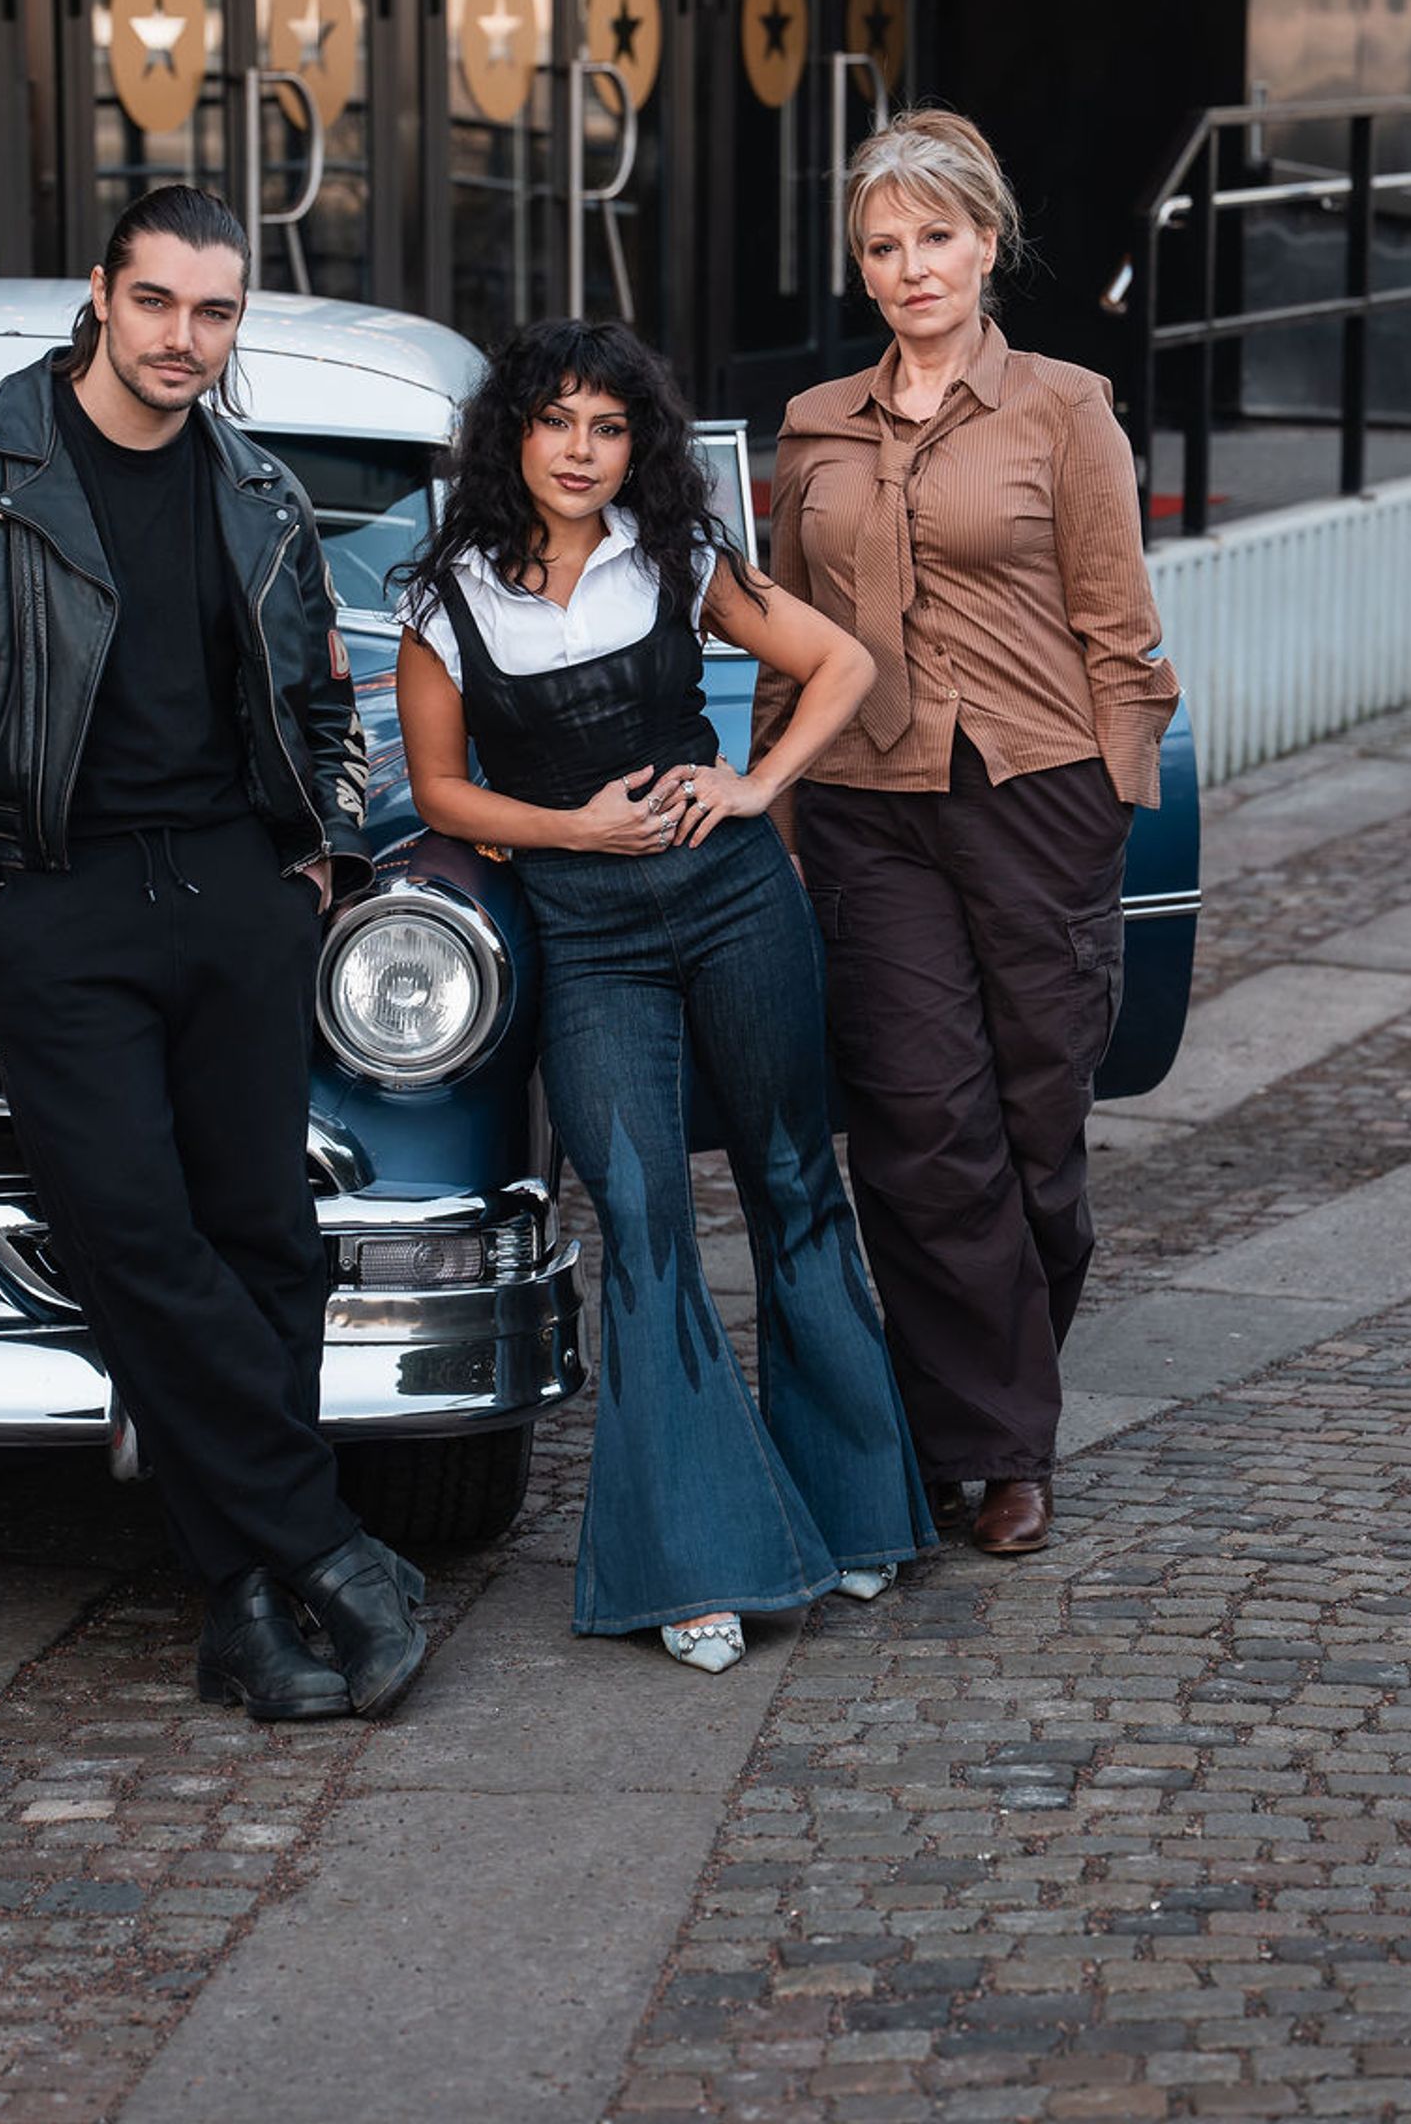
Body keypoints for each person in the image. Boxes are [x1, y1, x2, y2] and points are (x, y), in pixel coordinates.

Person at [0, 185, 426, 1721]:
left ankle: (245, 1607)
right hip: (52, 900)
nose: (182, 337)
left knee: (267, 1240)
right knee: (134, 1236)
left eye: (215, 312)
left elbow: (325, 705)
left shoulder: (259, 490)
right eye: (156, 301)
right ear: (102, 293)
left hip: (235, 892)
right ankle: (330, 1549)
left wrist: (316, 863)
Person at [395, 318, 934, 1674]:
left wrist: (753, 786)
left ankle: (858, 1508)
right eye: (556, 421)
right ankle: (695, 1559)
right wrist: (571, 831)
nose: (581, 451)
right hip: (586, 938)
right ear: (512, 435)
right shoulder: (448, 601)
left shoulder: (679, 555)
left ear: (639, 445)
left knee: (792, 1183)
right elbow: (444, 792)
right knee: (640, 1218)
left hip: (738, 901)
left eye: (609, 426)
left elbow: (845, 664)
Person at [751, 110, 1180, 1558]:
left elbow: (1122, 631)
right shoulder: (816, 425)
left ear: (987, 244)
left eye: (935, 236)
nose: (911, 267)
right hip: (868, 813)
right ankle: (988, 1447)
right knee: (921, 1127)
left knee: (1035, 1127)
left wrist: (1110, 805)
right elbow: (789, 642)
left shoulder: (1065, 408)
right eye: (883, 246)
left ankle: (997, 1397)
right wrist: (776, 809)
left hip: (1038, 798)